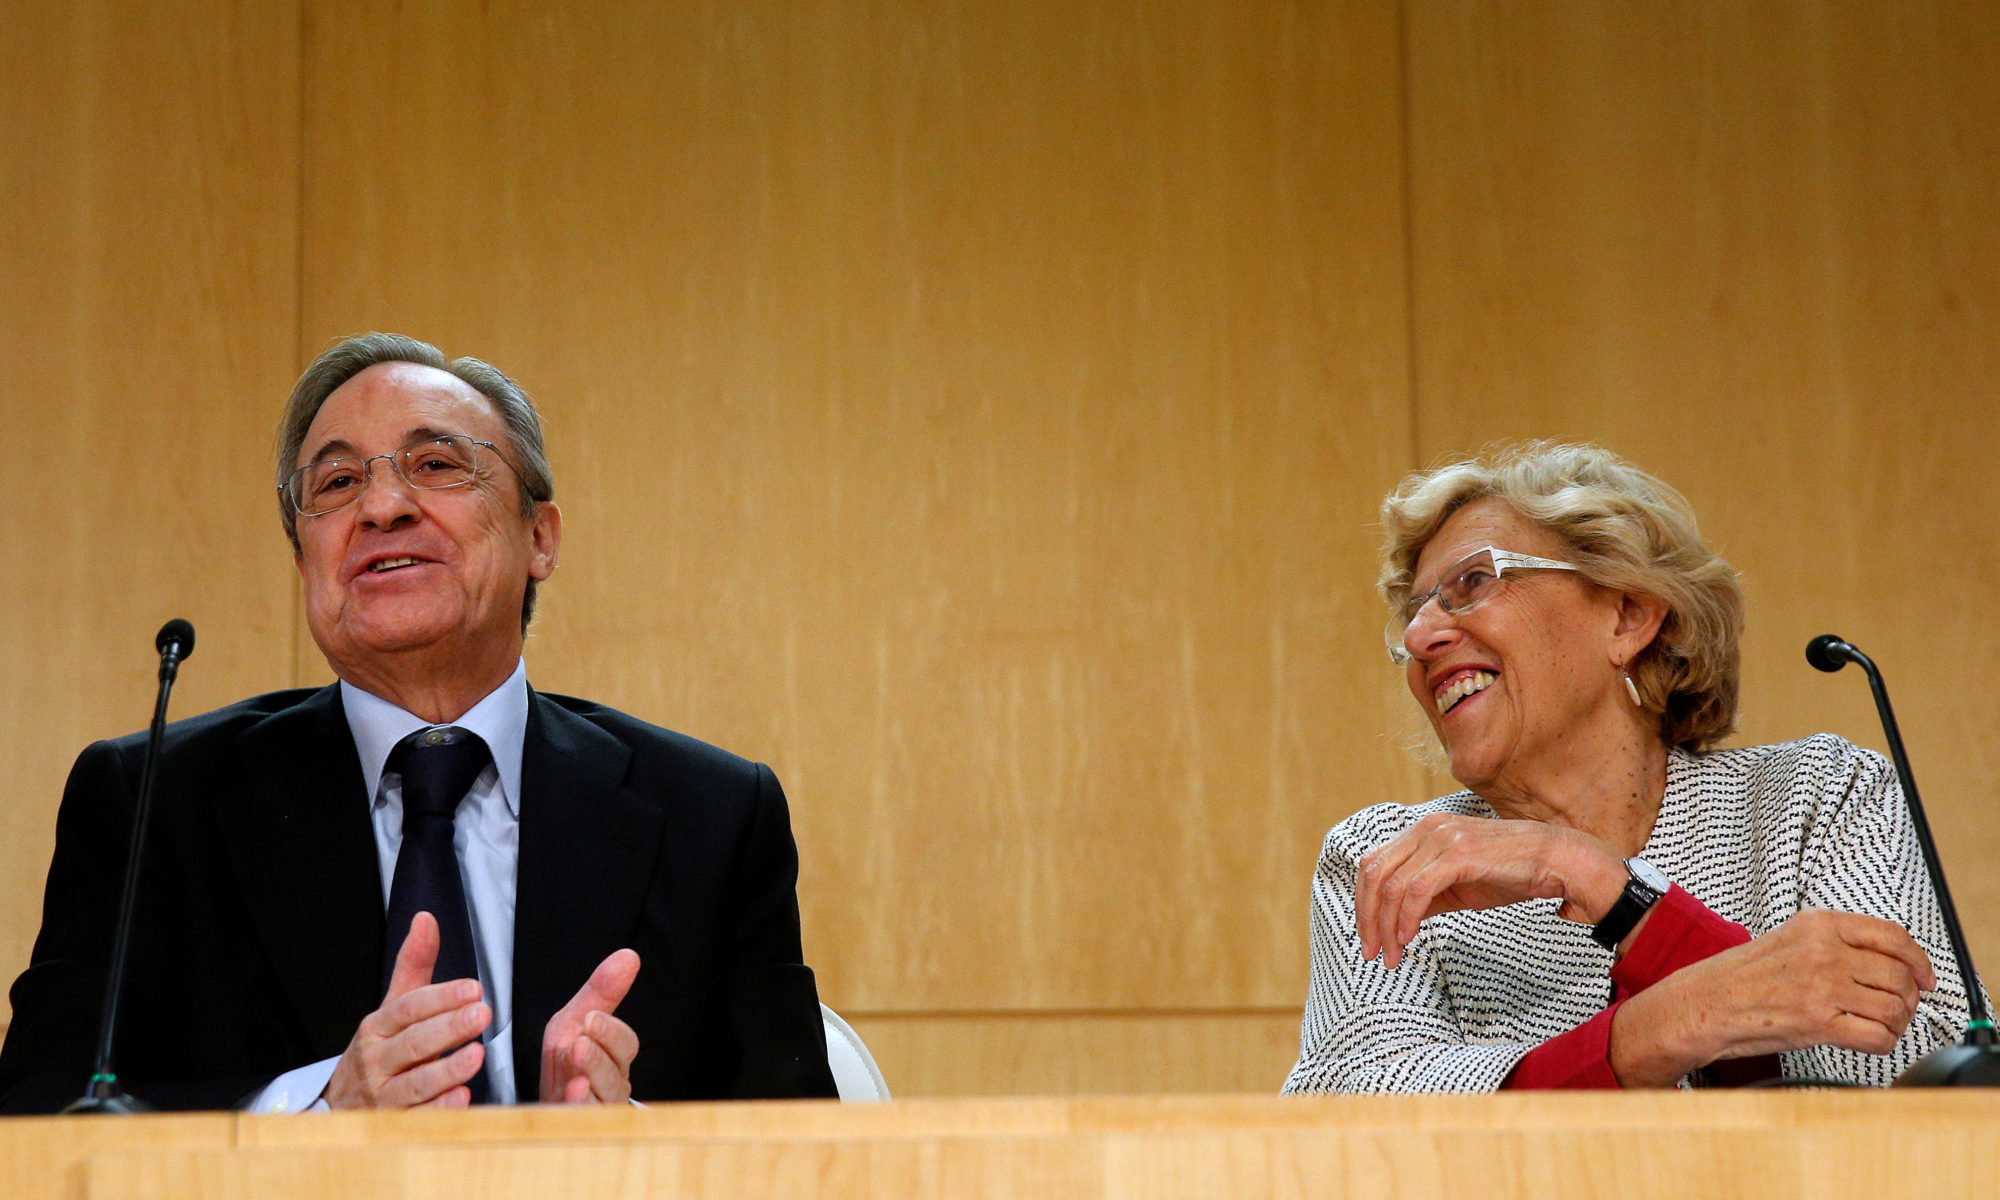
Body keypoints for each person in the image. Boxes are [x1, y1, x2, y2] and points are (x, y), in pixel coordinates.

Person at [0, 333, 838, 1112]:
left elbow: (807, 1159)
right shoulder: (153, 804)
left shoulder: (714, 816)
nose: (383, 506)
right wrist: (320, 1113)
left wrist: (618, 1146)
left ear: (540, 537)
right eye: (336, 484)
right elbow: (40, 1123)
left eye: (437, 464)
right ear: (305, 561)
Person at [1282, 441, 1980, 1092]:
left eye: (1471, 582)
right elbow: (1358, 1116)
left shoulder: (1816, 797)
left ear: (1626, 616)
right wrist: (1660, 1027)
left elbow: (1928, 1077)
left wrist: (1604, 883)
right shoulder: (1388, 862)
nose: (1419, 635)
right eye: (1414, 611)